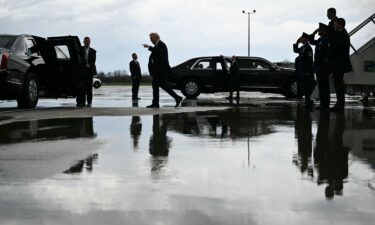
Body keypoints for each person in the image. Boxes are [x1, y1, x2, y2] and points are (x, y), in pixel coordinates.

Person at [142, 33, 183, 108]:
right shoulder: (157, 45)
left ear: (156, 38)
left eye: (151, 38)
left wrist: (149, 47)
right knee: (155, 86)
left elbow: (159, 52)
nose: (151, 40)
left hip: (161, 71)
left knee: (163, 85)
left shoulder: (161, 44)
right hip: (157, 71)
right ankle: (155, 103)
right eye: (150, 39)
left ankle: (177, 97)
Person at [327, 18, 352, 111]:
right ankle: (339, 104)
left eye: (335, 24)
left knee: (339, 85)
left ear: (340, 24)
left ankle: (340, 105)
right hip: (338, 64)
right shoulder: (341, 34)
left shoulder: (342, 35)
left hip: (339, 64)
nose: (334, 26)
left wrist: (327, 56)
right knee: (338, 84)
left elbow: (336, 48)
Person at [309, 23, 331, 109]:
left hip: (323, 67)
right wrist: (313, 33)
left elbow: (327, 54)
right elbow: (312, 41)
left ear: (324, 31)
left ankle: (325, 104)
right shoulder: (320, 39)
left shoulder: (327, 40)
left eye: (320, 29)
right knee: (321, 86)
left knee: (325, 86)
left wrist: (326, 66)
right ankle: (323, 103)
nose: (318, 31)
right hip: (318, 67)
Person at [293, 32, 315, 108]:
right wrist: (296, 43)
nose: (301, 39)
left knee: (307, 87)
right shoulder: (303, 48)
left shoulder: (308, 48)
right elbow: (295, 51)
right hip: (302, 71)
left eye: (302, 38)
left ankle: (308, 102)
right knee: (303, 87)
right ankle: (307, 101)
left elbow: (309, 61)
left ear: (305, 39)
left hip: (306, 71)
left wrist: (308, 71)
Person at [77, 36, 97, 107]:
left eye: (88, 42)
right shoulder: (80, 50)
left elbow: (93, 61)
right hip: (82, 71)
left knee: (89, 88)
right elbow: (79, 59)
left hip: (89, 71)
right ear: (83, 42)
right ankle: (81, 102)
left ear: (90, 42)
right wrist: (85, 64)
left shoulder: (93, 51)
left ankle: (89, 102)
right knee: (81, 87)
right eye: (86, 42)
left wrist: (89, 65)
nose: (87, 43)